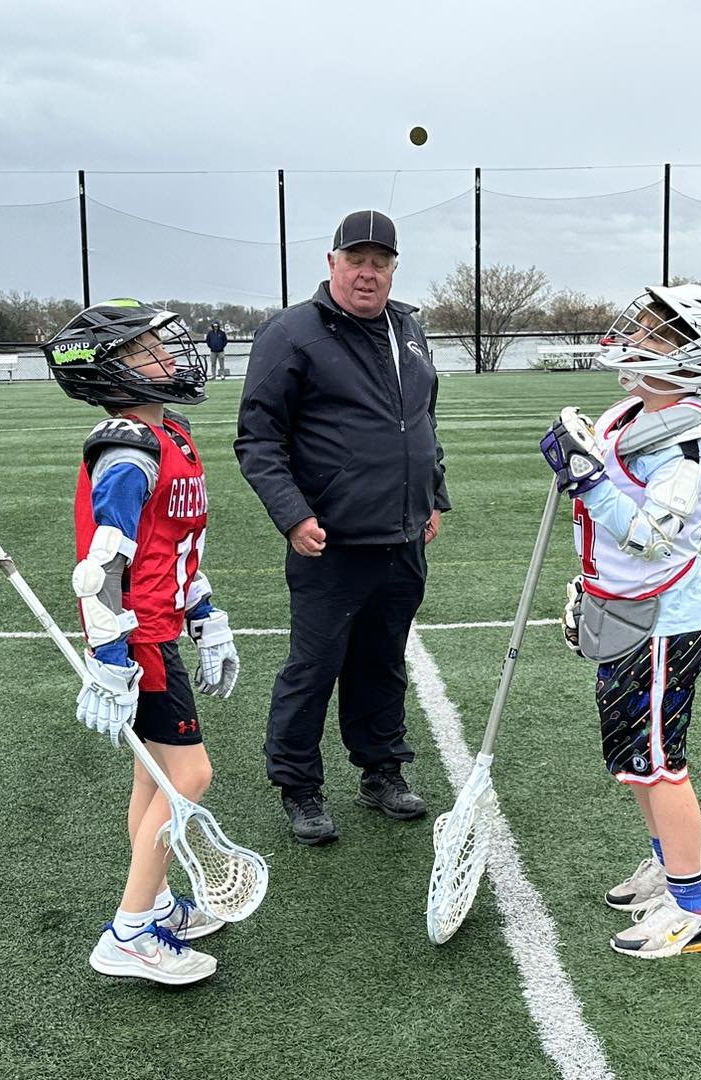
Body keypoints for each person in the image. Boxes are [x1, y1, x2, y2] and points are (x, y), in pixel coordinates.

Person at [539, 283, 701, 960]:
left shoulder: (685, 440)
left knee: (659, 764)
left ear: (695, 356)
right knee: (636, 763)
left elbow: (650, 536)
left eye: (657, 334)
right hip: (629, 611)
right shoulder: (636, 410)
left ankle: (693, 908)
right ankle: (669, 867)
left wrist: (589, 481)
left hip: (667, 620)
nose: (636, 339)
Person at [43, 298, 243, 986]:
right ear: (110, 371)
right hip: (141, 637)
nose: (167, 358)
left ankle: (154, 900)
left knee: (150, 774)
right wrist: (108, 659)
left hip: (163, 624)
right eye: (145, 351)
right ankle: (129, 933)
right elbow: (103, 565)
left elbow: (173, 548)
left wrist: (206, 614)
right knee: (189, 776)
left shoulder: (172, 433)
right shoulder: (127, 449)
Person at [236, 210, 450, 844]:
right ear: (332, 263)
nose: (367, 273)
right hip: (328, 542)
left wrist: (432, 494)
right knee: (315, 666)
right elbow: (258, 439)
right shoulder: (292, 334)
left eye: (380, 262)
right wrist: (293, 515)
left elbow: (423, 421)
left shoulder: (407, 330)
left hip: (402, 538)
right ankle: (299, 785)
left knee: (382, 663)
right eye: (356, 260)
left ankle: (381, 771)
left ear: (392, 269)